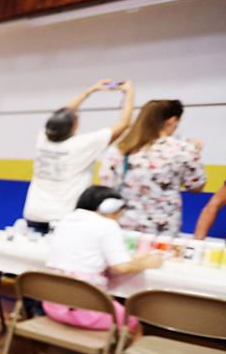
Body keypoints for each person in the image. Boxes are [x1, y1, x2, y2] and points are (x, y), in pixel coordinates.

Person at [21, 80, 135, 233]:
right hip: (63, 217)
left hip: (34, 213)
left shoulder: (43, 139)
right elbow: (123, 124)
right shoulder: (83, 145)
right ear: (74, 126)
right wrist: (129, 92)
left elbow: (62, 114)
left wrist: (89, 91)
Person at [44, 186, 164, 330]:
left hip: (53, 304)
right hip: (85, 307)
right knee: (134, 325)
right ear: (111, 208)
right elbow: (122, 267)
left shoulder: (65, 220)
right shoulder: (107, 225)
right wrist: (150, 262)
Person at [98, 99, 206, 235]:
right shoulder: (183, 149)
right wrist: (197, 152)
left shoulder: (119, 149)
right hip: (161, 230)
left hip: (121, 225)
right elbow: (196, 186)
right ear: (171, 121)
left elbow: (106, 185)